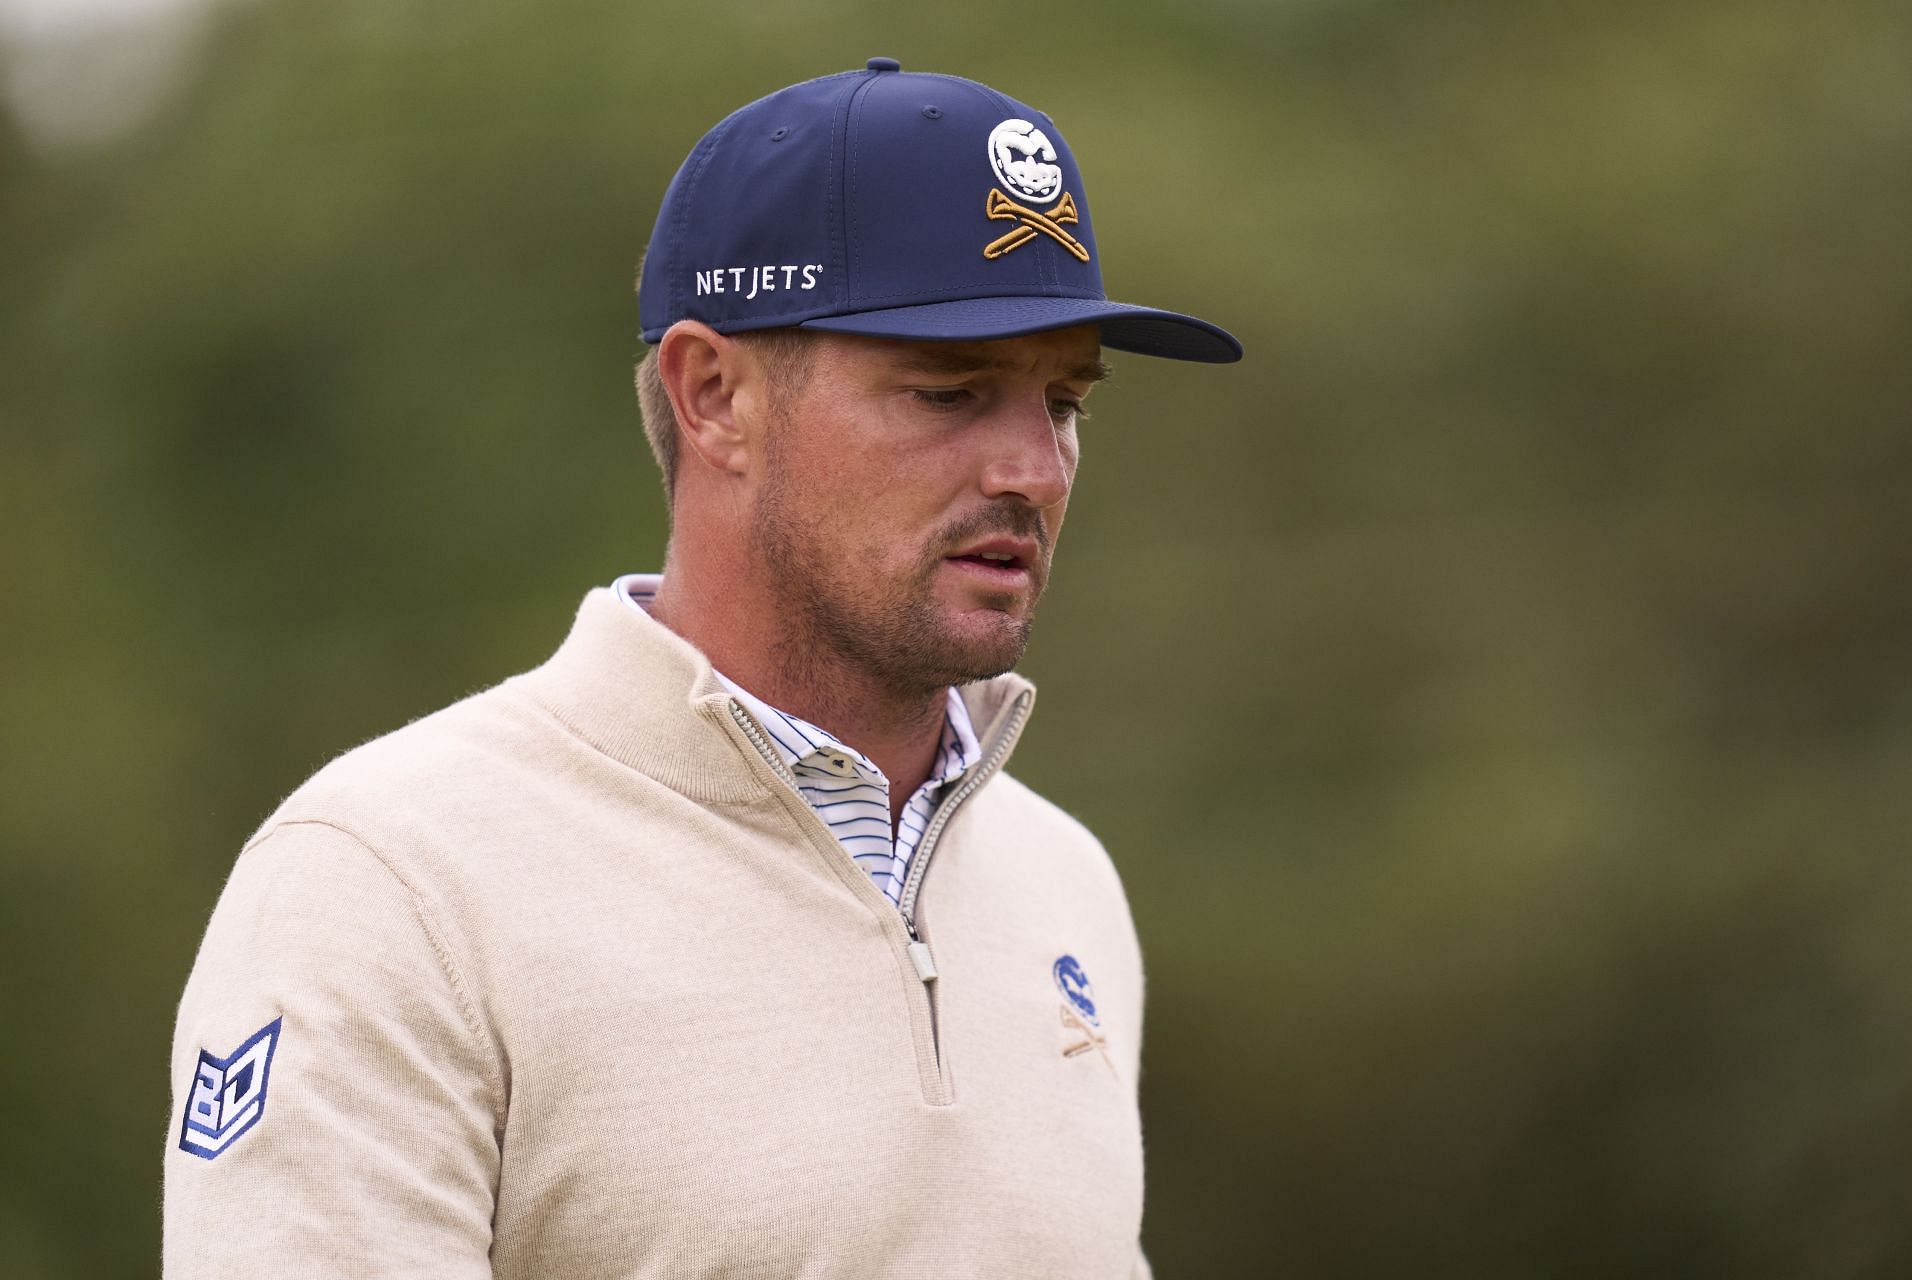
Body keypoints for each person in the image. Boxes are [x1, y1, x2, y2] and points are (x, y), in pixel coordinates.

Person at [164, 57, 1240, 1278]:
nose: (1035, 469)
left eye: (1063, 401)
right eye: (952, 392)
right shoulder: (392, 883)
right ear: (715, 393)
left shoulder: (1066, 883)